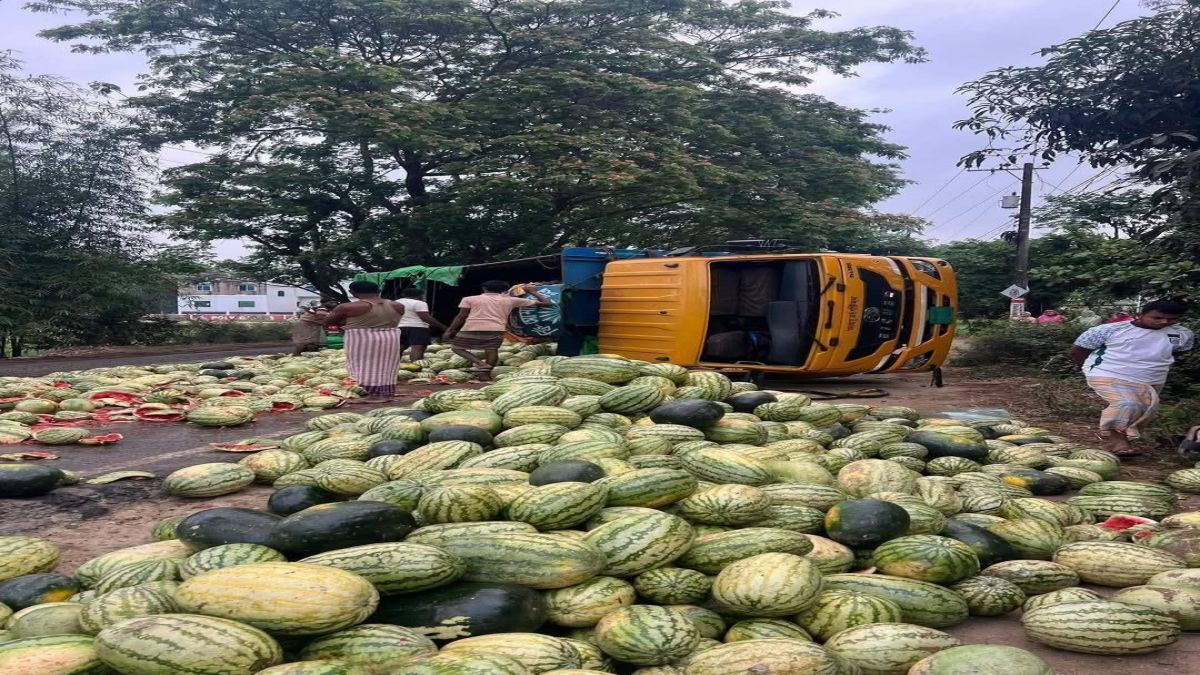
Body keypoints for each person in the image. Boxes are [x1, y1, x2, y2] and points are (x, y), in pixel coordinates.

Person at [1069, 299, 1193, 455]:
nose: (1164, 322)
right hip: (1107, 372)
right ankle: (1118, 443)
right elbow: (1078, 350)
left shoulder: (1182, 334)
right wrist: (1088, 368)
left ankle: (1126, 436)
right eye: (1157, 317)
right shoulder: (1108, 330)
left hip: (1152, 378)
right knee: (1127, 403)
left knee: (1143, 409)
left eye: (1172, 319)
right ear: (1140, 314)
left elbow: (1177, 352)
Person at [444, 280, 554, 375]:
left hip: (471, 327)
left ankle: (480, 364)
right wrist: (532, 291)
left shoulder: (469, 299)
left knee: (456, 347)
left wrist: (449, 330)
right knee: (491, 350)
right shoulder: (511, 300)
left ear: (484, 288)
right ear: (504, 290)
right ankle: (485, 374)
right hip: (496, 328)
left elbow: (461, 316)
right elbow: (547, 303)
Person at [324, 281, 407, 403]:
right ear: (378, 291)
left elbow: (328, 322)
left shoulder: (348, 307)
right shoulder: (397, 305)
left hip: (361, 338)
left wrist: (343, 323)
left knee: (363, 365)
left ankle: (372, 394)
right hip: (390, 337)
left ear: (353, 292)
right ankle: (386, 392)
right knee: (388, 365)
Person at [396, 286, 446, 362]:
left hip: (399, 327)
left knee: (400, 347)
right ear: (419, 296)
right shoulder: (419, 303)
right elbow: (425, 317)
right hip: (418, 328)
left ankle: (394, 365)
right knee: (417, 348)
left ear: (403, 295)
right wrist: (443, 327)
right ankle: (415, 364)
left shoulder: (395, 302)